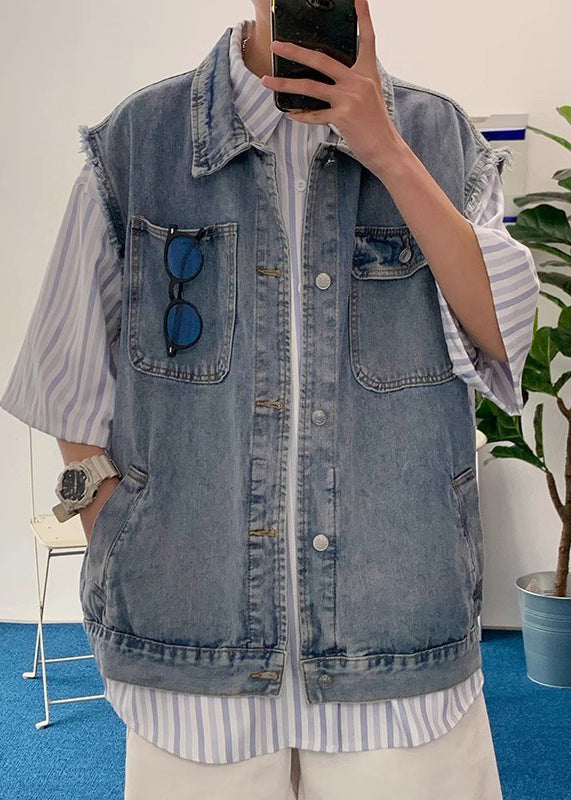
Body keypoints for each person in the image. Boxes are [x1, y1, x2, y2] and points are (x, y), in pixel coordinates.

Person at [1, 0, 539, 797]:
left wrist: (385, 150)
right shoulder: (140, 143)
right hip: (188, 641)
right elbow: (66, 379)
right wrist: (115, 529)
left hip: (396, 639)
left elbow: (501, 337)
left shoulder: (436, 136)